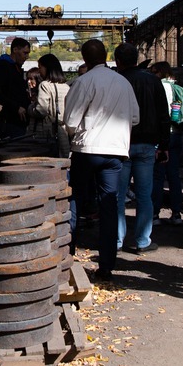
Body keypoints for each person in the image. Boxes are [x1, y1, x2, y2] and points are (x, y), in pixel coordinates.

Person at [65, 39, 139, 280]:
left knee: (74, 199)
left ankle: (68, 255)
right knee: (110, 206)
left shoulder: (84, 82)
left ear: (84, 58)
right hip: (115, 151)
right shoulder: (123, 82)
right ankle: (106, 265)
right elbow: (135, 118)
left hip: (87, 150)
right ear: (107, 56)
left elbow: (71, 121)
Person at [115, 47, 169, 256]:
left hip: (122, 143)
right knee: (144, 195)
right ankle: (142, 240)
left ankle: (117, 240)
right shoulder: (152, 81)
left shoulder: (117, 81)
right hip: (148, 144)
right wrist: (164, 145)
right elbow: (163, 114)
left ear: (118, 61)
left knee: (118, 195)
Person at [151, 61, 183, 223]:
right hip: (176, 134)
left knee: (158, 176)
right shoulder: (176, 88)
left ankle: (155, 213)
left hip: (160, 136)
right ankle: (177, 213)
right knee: (174, 175)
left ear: (160, 72)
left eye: (154, 72)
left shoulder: (156, 87)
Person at [0, 37, 32, 138]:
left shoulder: (16, 69)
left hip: (18, 122)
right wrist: (15, 107)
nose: (27, 56)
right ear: (15, 50)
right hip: (10, 123)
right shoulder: (4, 67)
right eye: (25, 53)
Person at [31, 53, 72, 158]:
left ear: (47, 68)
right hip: (63, 132)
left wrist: (30, 109)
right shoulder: (66, 86)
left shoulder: (45, 85)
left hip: (47, 132)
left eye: (40, 67)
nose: (39, 71)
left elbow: (41, 110)